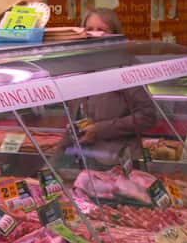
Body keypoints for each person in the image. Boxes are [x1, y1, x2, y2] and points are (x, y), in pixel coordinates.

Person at [65, 9, 157, 163]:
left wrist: (100, 130)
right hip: (85, 159)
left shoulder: (126, 65)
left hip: (118, 161)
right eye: (89, 30)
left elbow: (147, 117)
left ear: (114, 34)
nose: (94, 34)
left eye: (101, 30)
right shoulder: (80, 66)